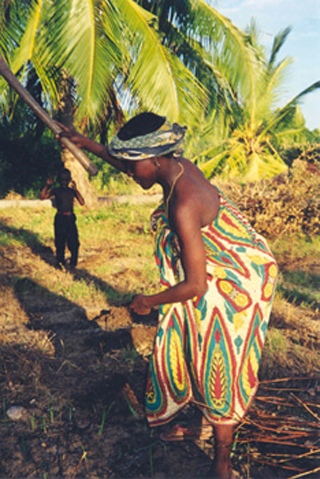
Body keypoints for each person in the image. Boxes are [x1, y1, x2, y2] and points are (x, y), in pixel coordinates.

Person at [58, 113, 278, 479]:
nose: (129, 172)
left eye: (132, 166)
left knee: (220, 357)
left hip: (240, 278)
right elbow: (133, 164)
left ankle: (221, 462)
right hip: (210, 268)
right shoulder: (173, 165)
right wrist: (90, 145)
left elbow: (195, 287)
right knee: (184, 331)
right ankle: (193, 409)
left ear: (156, 159)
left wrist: (148, 301)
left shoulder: (184, 203)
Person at [40, 168, 85, 270]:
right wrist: (76, 190)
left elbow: (42, 197)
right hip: (65, 218)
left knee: (65, 241)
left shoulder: (59, 190)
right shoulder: (61, 190)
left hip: (63, 218)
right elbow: (82, 202)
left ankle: (65, 263)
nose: (64, 182)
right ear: (70, 180)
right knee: (66, 241)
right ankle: (68, 263)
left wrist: (47, 185)